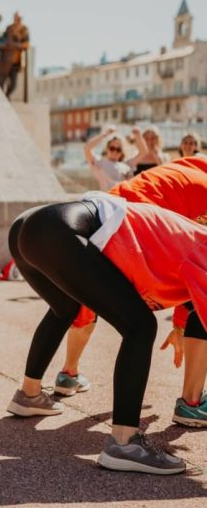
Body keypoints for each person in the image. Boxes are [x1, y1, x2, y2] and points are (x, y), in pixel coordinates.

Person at [3, 185, 207, 474]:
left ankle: (28, 395)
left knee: (67, 309)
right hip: (59, 229)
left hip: (31, 227)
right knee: (140, 326)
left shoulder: (192, 240)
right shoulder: (203, 247)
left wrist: (179, 325)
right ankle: (125, 443)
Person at [52, 156, 207, 423]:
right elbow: (196, 265)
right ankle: (191, 402)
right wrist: (181, 322)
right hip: (136, 226)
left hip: (105, 210)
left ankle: (68, 373)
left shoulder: (190, 166)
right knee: (144, 324)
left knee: (87, 298)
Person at [82, 126, 133, 192]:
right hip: (106, 197)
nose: (115, 152)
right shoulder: (100, 162)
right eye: (112, 148)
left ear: (122, 152)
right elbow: (87, 148)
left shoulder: (126, 167)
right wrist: (105, 134)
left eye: (118, 149)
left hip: (121, 199)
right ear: (107, 149)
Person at [0, 12, 29, 98]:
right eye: (16, 18)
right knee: (0, 83)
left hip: (16, 63)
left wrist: (15, 45)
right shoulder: (9, 28)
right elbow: (5, 42)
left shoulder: (24, 30)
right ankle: (1, 98)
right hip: (5, 62)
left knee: (14, 85)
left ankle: (6, 97)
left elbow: (26, 45)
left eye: (19, 19)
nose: (18, 21)